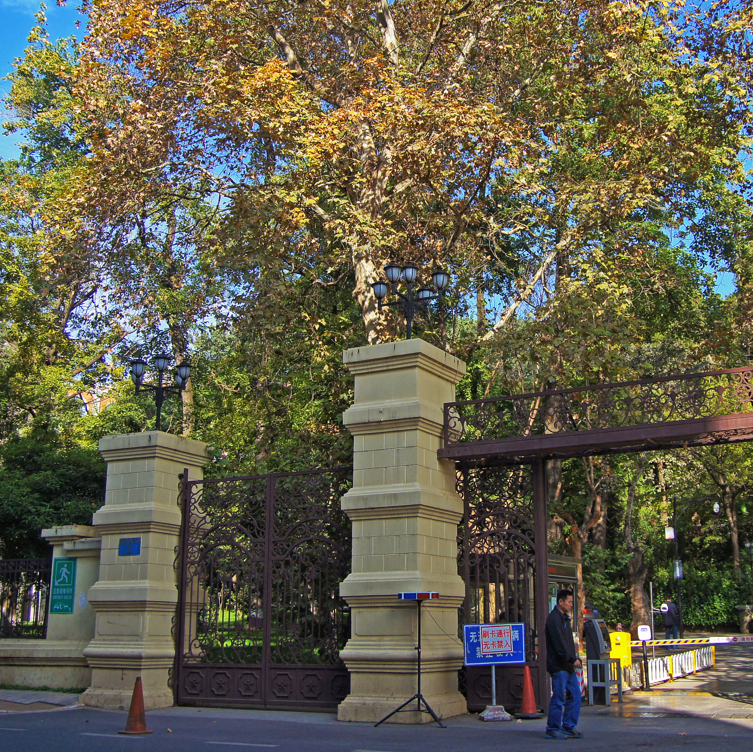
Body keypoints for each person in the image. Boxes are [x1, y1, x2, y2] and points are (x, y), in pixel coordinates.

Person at [544, 589, 583, 740]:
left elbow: (567, 643)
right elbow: (559, 643)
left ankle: (568, 725)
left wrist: (573, 658)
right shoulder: (553, 619)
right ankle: (552, 728)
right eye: (569, 602)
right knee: (559, 697)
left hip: (568, 665)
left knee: (575, 694)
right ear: (560, 602)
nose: (571, 605)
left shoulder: (565, 619)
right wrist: (571, 659)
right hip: (559, 665)